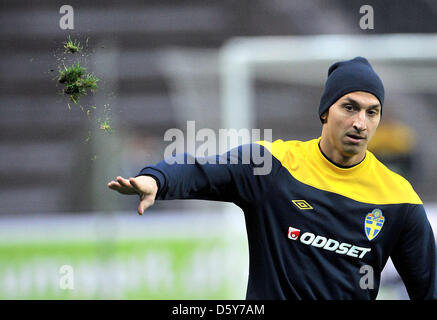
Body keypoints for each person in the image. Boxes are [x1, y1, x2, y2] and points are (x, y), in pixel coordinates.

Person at [108, 57, 437, 300]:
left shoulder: (398, 197)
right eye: (349, 107)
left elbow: (428, 287)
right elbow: (201, 168)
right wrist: (155, 180)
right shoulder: (275, 165)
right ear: (325, 112)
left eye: (371, 111)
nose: (360, 123)